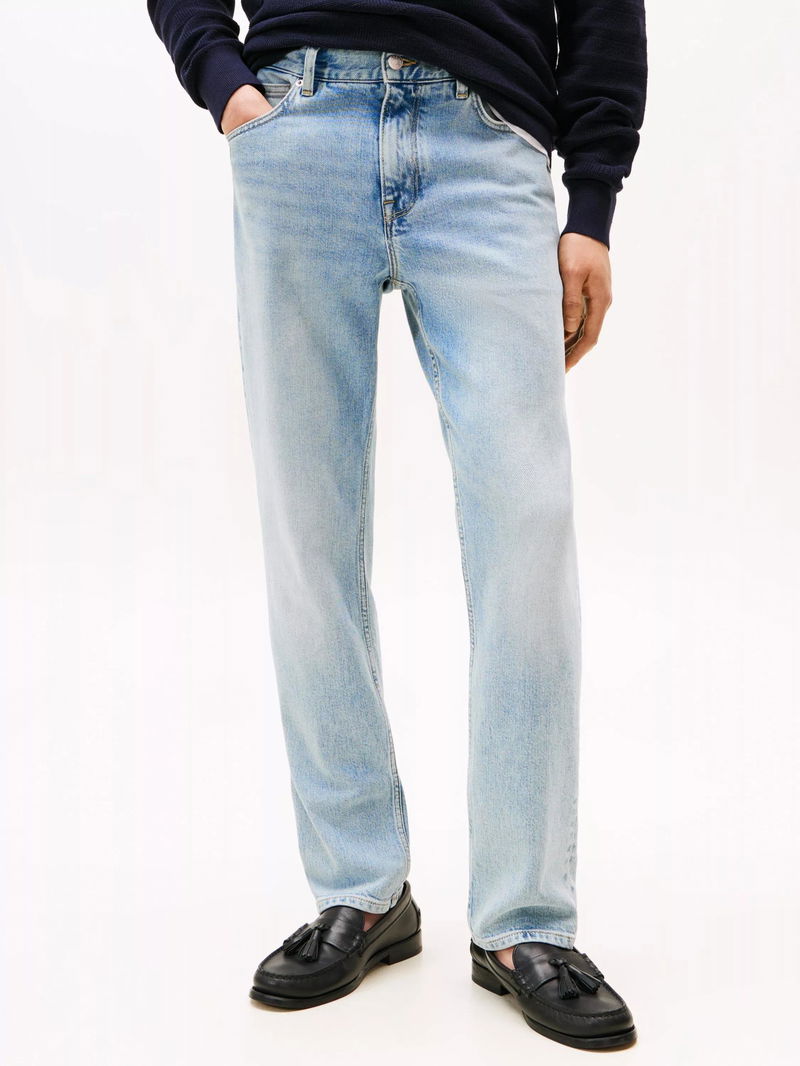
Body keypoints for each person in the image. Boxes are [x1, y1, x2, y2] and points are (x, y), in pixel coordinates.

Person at [147, 1, 647, 1050]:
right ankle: (360, 888)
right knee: (308, 532)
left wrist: (592, 200)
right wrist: (223, 81)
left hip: (487, 139)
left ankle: (523, 919)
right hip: (297, 122)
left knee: (526, 529)